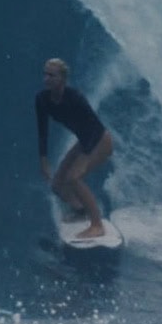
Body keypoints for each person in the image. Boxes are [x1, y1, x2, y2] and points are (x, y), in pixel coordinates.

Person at [36, 58, 113, 239]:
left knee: (74, 178)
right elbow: (42, 131)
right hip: (84, 141)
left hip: (100, 141)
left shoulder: (75, 98)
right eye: (45, 74)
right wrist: (44, 160)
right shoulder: (42, 100)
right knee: (57, 185)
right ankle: (81, 210)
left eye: (51, 75)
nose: (46, 79)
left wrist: (84, 158)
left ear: (62, 79)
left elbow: (94, 127)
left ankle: (97, 225)